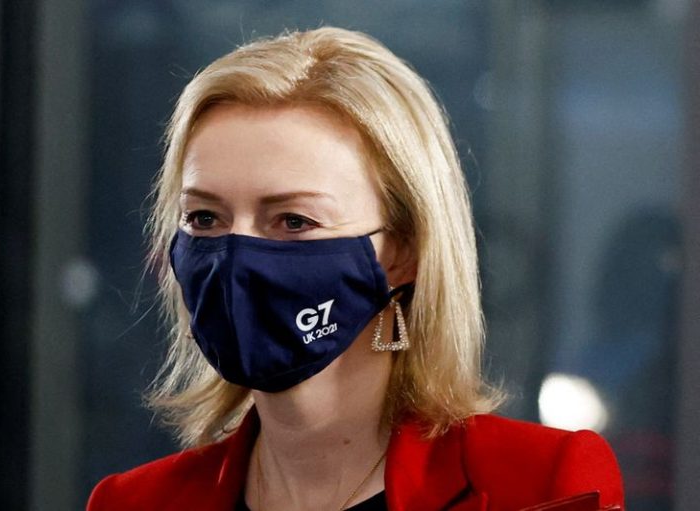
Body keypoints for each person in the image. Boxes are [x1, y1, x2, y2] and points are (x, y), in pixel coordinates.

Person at [87, 27, 624, 511]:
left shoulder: (542, 484)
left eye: (294, 221)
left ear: (404, 252)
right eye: (205, 217)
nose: (235, 257)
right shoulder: (130, 503)